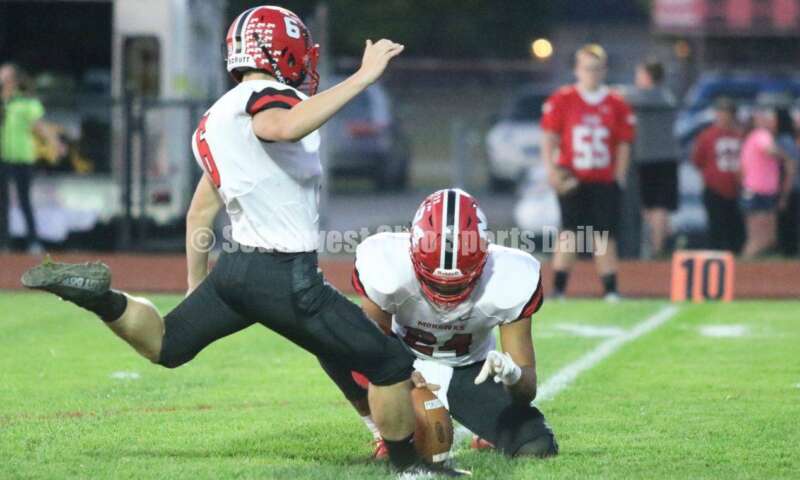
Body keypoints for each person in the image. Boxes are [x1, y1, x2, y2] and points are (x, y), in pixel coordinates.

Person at [20, 6, 466, 476]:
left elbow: (200, 212)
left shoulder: (215, 117)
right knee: (389, 363)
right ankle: (412, 469)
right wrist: (362, 77)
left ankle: (103, 300)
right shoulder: (269, 98)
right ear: (283, 51)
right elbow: (280, 126)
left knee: (168, 346)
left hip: (235, 271)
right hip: (285, 275)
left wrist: (197, 285)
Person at [319, 189, 558, 460]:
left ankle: (487, 430)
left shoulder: (511, 275)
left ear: (484, 258)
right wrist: (401, 374)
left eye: (459, 284)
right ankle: (380, 433)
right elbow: (369, 347)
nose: (445, 297)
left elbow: (527, 388)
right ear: (412, 252)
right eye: (434, 283)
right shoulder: (385, 261)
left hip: (469, 372)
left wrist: (512, 374)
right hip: (402, 361)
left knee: (535, 445)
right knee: (335, 341)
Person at [540, 44, 636, 301]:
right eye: (586, 68)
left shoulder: (616, 102)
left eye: (596, 69)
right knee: (569, 232)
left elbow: (624, 142)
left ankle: (611, 289)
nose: (591, 74)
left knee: (604, 235)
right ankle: (558, 288)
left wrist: (619, 176)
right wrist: (551, 169)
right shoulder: (562, 99)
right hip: (572, 176)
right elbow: (549, 137)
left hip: (603, 177)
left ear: (604, 70)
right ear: (576, 70)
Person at [0, 63, 59, 253]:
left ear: (14, 79)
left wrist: (55, 143)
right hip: (3, 156)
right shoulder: (3, 102)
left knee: (24, 199)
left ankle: (33, 240)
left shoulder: (25, 102)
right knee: (2, 201)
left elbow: (39, 126)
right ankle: (4, 242)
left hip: (23, 156)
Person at [627, 59, 679, 258]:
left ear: (648, 76)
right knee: (654, 207)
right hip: (661, 158)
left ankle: (657, 250)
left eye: (639, 74)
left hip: (652, 158)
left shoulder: (655, 96)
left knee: (656, 206)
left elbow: (627, 98)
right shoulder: (667, 95)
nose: (636, 79)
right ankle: (660, 243)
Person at [739, 93, 797, 258]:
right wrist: (787, 159)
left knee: (764, 237)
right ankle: (743, 266)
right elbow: (770, 151)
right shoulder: (761, 135)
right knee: (759, 238)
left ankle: (748, 265)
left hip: (760, 191)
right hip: (758, 192)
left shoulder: (754, 137)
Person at [691, 97, 745, 252]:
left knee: (735, 227)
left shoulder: (739, 136)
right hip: (714, 188)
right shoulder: (707, 136)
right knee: (716, 226)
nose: (722, 116)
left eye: (726, 112)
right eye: (720, 112)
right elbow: (698, 161)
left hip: (736, 188)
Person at [776, 111, 800, 256]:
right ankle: (790, 249)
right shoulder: (789, 140)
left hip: (791, 186)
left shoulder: (784, 141)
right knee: (791, 220)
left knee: (788, 220)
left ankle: (789, 249)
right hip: (792, 186)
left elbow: (790, 166)